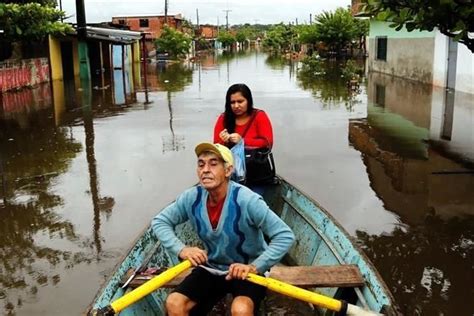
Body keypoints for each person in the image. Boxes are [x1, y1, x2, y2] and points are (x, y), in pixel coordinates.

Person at [152, 142, 295, 316]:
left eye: (213, 164)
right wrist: (182, 249)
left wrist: (255, 267)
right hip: (211, 267)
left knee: (240, 309)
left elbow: (285, 236)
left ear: (228, 171)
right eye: (201, 164)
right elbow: (160, 222)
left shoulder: (248, 200)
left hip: (247, 271)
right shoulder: (191, 197)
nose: (205, 169)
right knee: (174, 304)